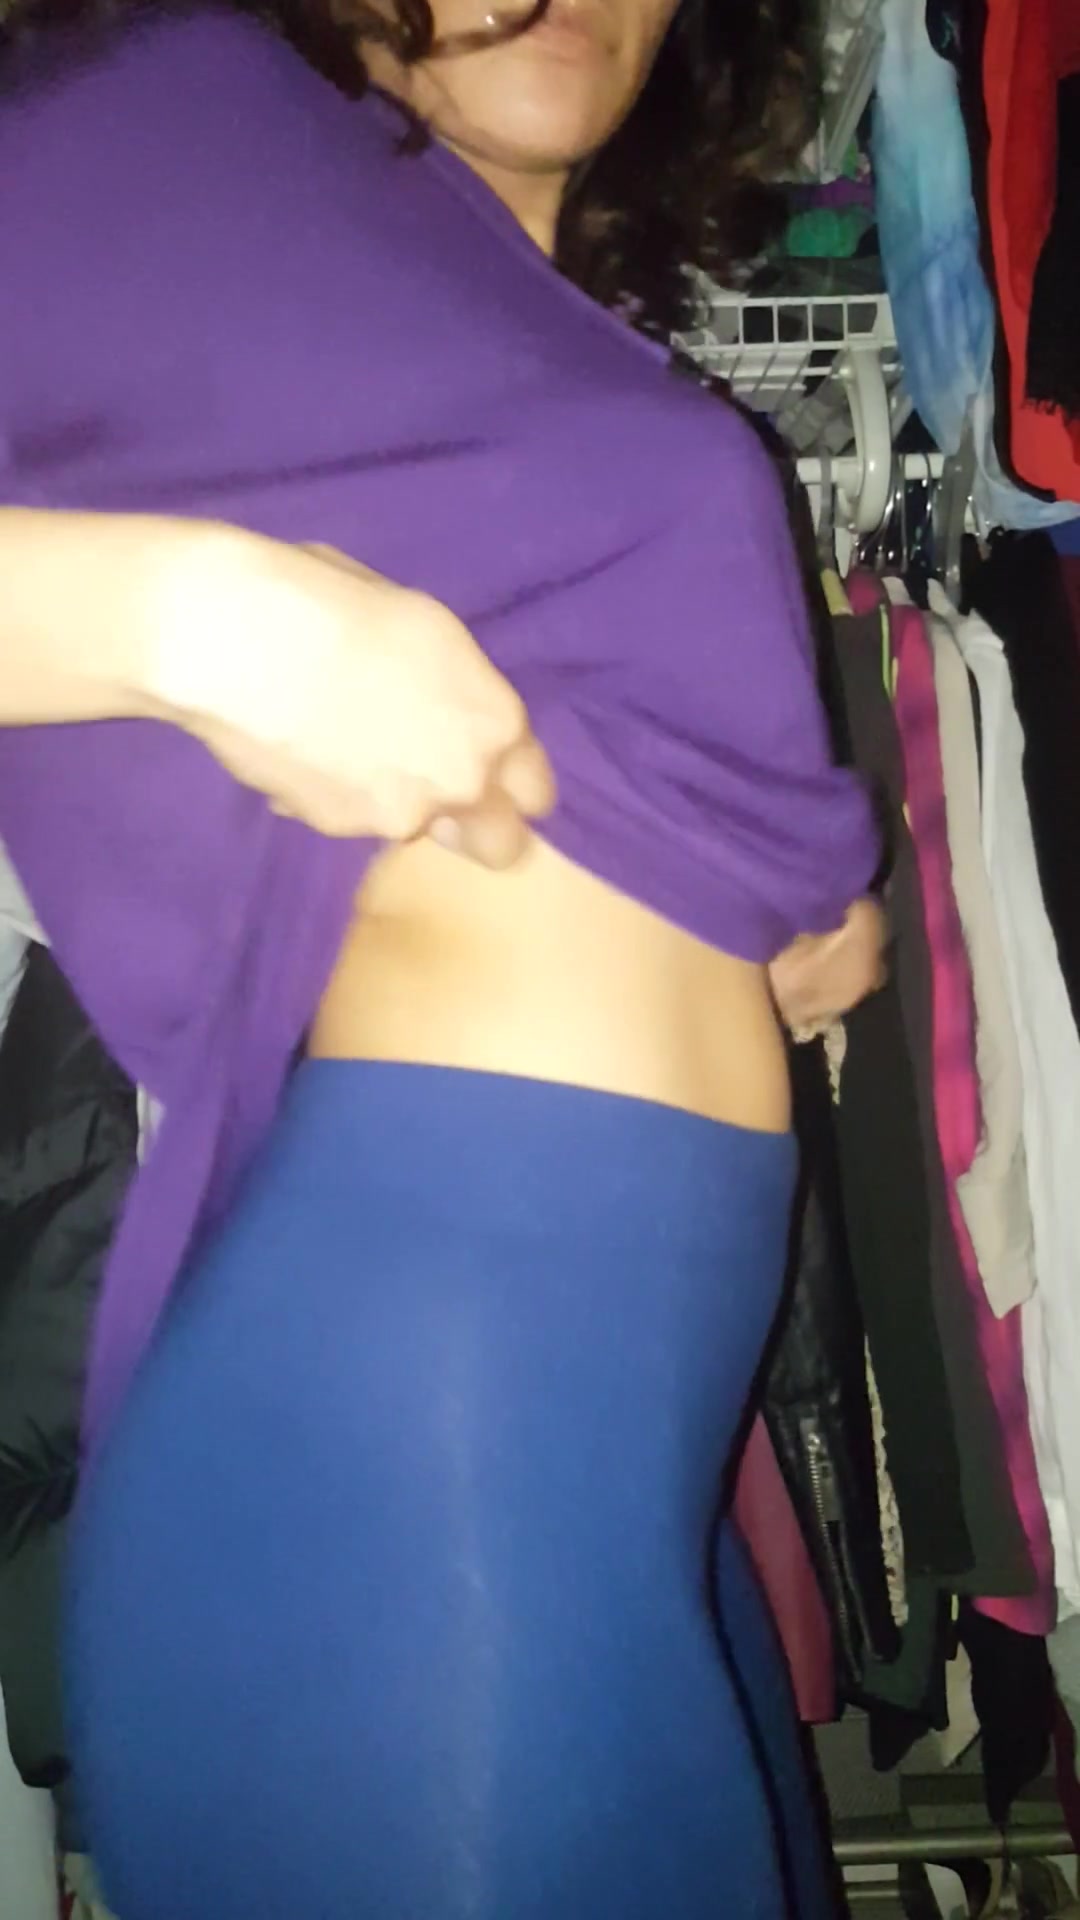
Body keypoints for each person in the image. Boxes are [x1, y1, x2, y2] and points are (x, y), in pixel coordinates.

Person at [0, 0, 884, 1913]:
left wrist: (762, 908)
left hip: (623, 1448)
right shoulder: (156, 103)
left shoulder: (512, 310)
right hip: (410, 1419)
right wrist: (197, 620)